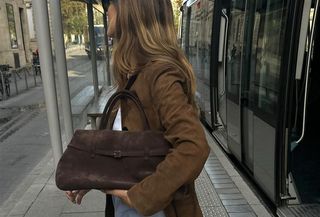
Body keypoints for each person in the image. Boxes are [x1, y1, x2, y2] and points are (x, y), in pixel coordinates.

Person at [66, 0, 210, 216]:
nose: (107, 9)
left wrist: (141, 196)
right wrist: (93, 176)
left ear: (131, 10)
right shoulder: (134, 74)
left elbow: (193, 146)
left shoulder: (160, 76)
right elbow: (127, 151)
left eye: (110, 2)